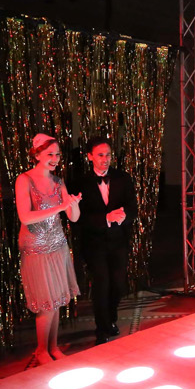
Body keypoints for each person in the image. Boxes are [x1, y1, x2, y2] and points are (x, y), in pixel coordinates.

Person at [16, 134, 82, 366]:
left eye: (57, 154)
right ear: (36, 155)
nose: (55, 159)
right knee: (46, 302)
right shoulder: (24, 180)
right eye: (50, 154)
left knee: (55, 300)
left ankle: (52, 347)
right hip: (36, 247)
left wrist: (72, 205)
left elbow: (73, 218)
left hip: (57, 245)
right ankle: (41, 349)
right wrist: (61, 207)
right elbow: (25, 217)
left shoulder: (58, 181)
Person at [73, 136, 138, 345]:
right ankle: (102, 329)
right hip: (95, 243)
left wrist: (124, 215)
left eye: (108, 155)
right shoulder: (79, 182)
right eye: (100, 155)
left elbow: (133, 209)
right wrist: (105, 219)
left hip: (119, 240)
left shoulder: (123, 177)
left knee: (118, 284)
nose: (105, 159)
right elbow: (78, 218)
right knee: (101, 285)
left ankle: (111, 319)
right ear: (90, 156)